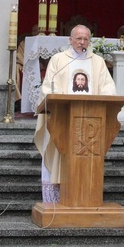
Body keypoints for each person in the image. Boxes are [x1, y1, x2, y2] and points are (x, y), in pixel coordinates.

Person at [34, 24, 116, 203]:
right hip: (62, 120)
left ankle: (85, 199)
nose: (82, 42)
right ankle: (56, 201)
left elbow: (108, 87)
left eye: (86, 38)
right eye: (78, 38)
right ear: (70, 40)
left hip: (90, 123)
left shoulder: (97, 62)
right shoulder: (58, 59)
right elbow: (48, 86)